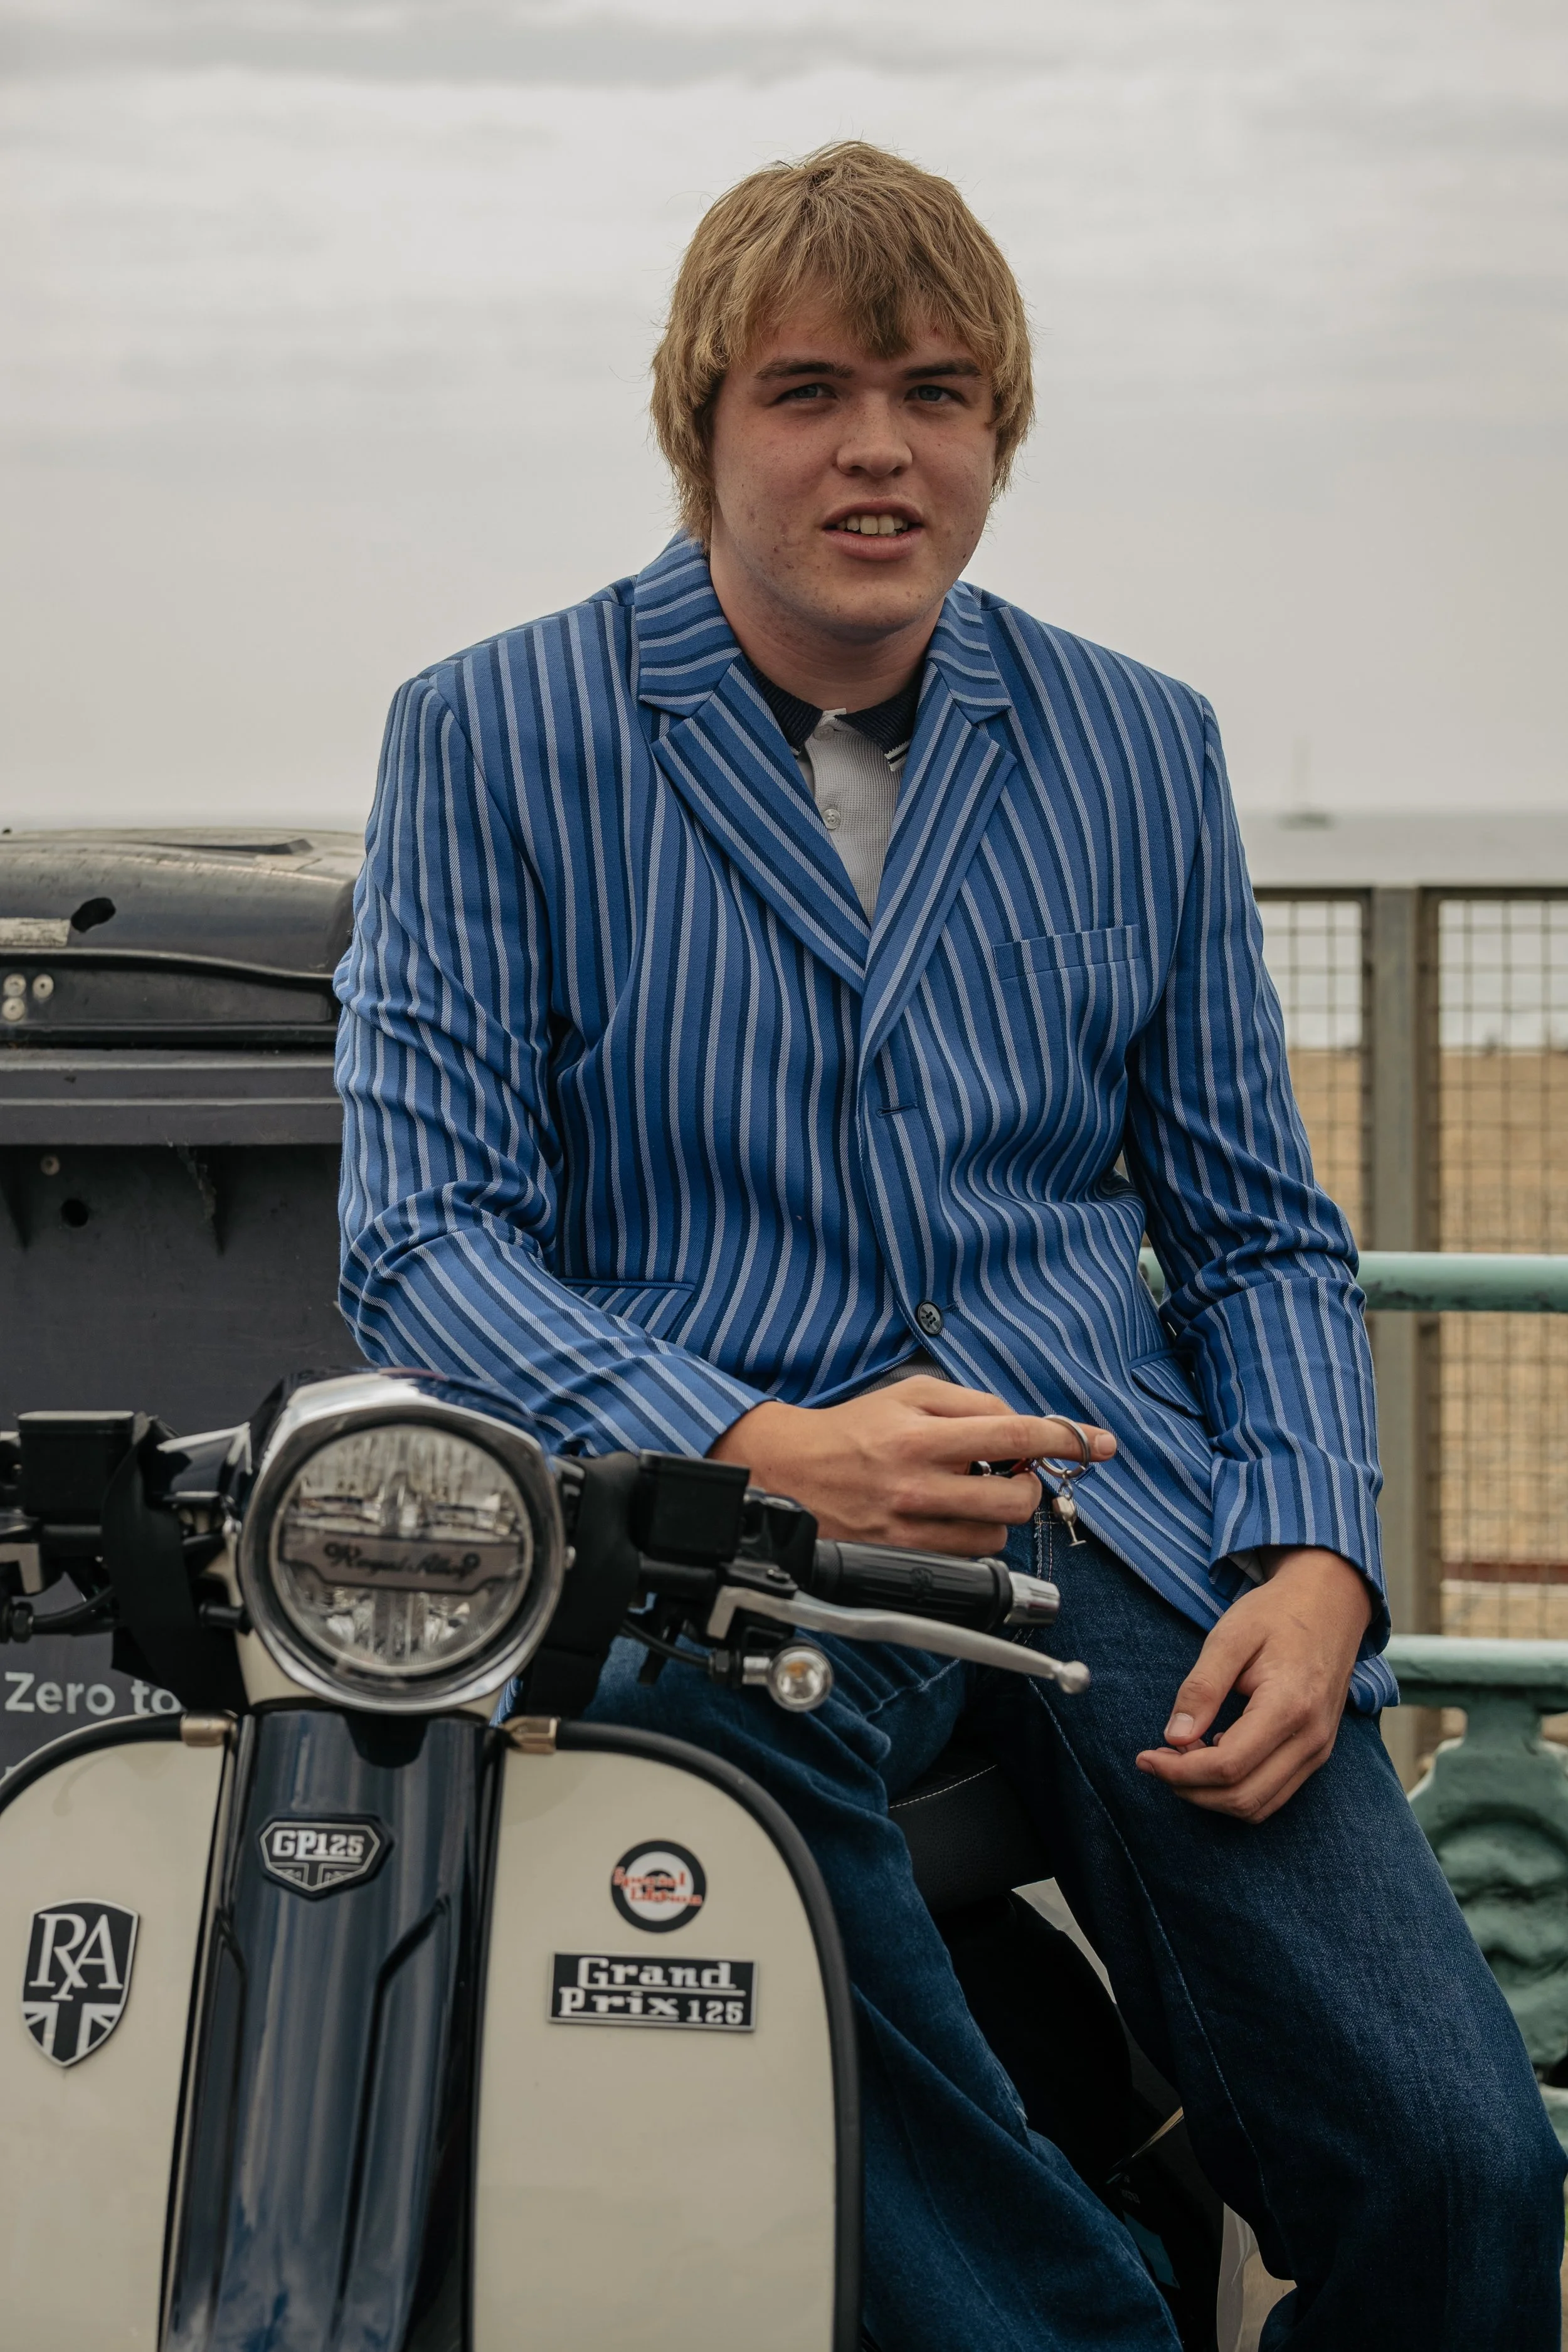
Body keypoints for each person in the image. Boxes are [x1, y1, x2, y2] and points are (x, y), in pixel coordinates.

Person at [335, 141, 1562, 2349]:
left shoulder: (1133, 739)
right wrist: (752, 1442)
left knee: (1468, 2171)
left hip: (1127, 1531)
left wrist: (1316, 1559)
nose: (878, 447)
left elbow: (1259, 1230)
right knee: (709, 1787)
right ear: (699, 421)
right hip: (724, 1542)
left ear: (999, 427)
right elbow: (423, 1237)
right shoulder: (489, 730)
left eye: (937, 388)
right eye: (807, 390)